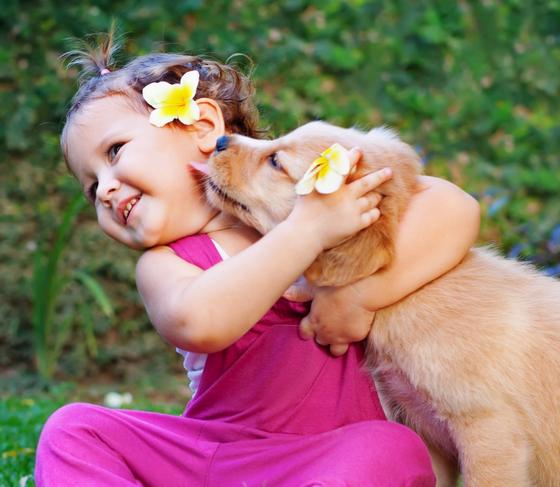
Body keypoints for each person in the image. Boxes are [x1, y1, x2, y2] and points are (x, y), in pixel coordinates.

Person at [35, 35, 480, 486]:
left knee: (389, 446)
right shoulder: (166, 264)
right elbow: (200, 322)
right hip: (214, 460)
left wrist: (359, 298)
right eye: (91, 188)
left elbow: (453, 205)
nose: (106, 189)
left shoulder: (307, 200)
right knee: (73, 429)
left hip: (326, 464)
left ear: (204, 125)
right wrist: (306, 231)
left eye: (115, 152)